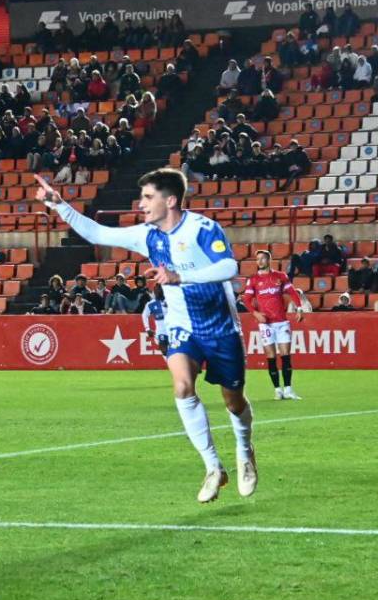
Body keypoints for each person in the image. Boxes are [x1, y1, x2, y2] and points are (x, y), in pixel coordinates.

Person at [36, 168, 256, 503]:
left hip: (220, 327)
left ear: (170, 200)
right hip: (183, 326)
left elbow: (228, 267)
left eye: (148, 197)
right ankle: (214, 467)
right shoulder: (146, 234)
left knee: (233, 401)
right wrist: (59, 206)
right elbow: (97, 234)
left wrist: (179, 276)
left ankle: (245, 450)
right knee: (182, 387)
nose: (141, 204)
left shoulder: (203, 228)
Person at [243, 249, 307, 401]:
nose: (259, 261)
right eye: (257, 259)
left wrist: (299, 308)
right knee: (270, 357)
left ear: (268, 260)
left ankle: (288, 389)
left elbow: (292, 292)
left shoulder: (280, 276)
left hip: (281, 322)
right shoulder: (253, 280)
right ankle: (277, 390)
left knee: (285, 356)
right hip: (265, 324)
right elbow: (246, 300)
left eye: (262, 258)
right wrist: (256, 314)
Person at [141, 285, 169, 357]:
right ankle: (171, 365)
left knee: (176, 349)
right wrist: (147, 328)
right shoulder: (150, 304)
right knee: (164, 349)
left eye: (160, 290)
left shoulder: (170, 300)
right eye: (156, 290)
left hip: (173, 328)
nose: (158, 292)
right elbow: (144, 315)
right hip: (161, 330)